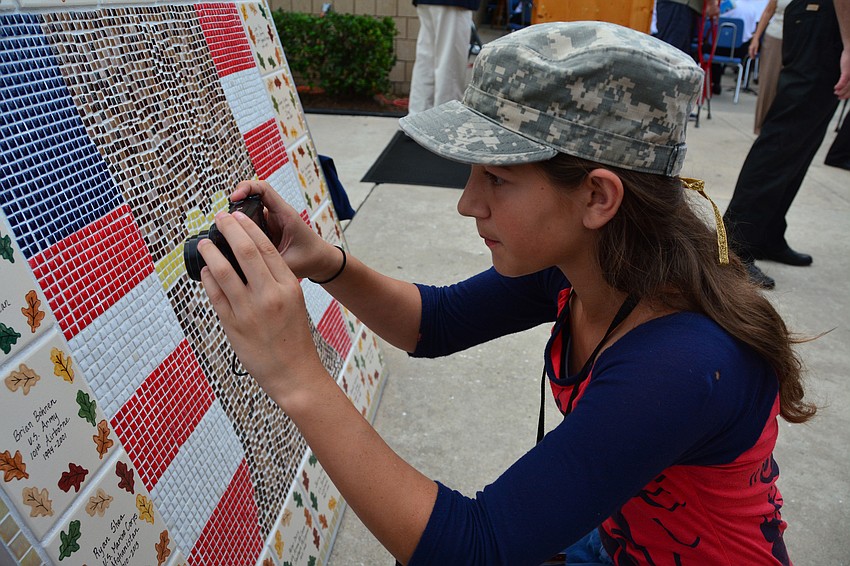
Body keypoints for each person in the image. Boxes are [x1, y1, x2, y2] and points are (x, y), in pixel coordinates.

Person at [198, 22, 815, 565]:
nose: (469, 203)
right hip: (615, 534)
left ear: (599, 197)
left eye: (496, 177)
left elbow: (477, 548)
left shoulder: (680, 362)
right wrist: (325, 262)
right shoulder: (590, 263)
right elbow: (433, 323)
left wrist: (297, 377)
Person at [723, 0, 850, 289]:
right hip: (825, 20)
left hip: (826, 21)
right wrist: (849, 44)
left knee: (803, 138)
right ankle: (734, 247)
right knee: (786, 135)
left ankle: (767, 233)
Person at [407, 0, 481, 115]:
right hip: (452, 4)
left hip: (427, 3)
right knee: (450, 68)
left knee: (426, 63)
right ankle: (445, 121)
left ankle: (416, 121)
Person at [748, 0, 792, 134]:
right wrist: (756, 38)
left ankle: (783, 129)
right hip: (776, 37)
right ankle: (761, 129)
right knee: (768, 85)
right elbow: (768, 11)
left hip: (800, 42)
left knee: (790, 89)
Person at [654, 0, 719, 54]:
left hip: (679, 5)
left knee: (672, 51)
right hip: (681, 6)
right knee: (674, 52)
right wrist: (711, 4)